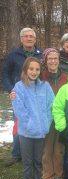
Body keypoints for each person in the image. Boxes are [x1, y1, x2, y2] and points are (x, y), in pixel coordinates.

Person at [12, 57, 54, 179]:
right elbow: (19, 109)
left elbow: (51, 106)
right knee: (28, 162)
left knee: (38, 161)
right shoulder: (19, 87)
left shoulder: (45, 87)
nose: (34, 72)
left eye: (37, 69)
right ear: (25, 70)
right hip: (27, 133)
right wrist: (30, 124)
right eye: (31, 69)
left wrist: (47, 123)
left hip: (41, 132)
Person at [2, 27, 42, 167]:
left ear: (35, 39)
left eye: (31, 36)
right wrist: (10, 89)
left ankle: (34, 153)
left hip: (37, 96)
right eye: (26, 36)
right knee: (19, 125)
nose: (29, 38)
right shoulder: (13, 55)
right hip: (19, 97)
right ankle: (16, 154)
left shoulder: (41, 54)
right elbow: (5, 74)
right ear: (21, 39)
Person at [40, 48, 68, 179]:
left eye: (55, 58)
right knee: (47, 150)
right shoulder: (41, 77)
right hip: (46, 119)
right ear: (45, 61)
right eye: (49, 59)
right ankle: (47, 178)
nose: (53, 61)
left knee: (58, 150)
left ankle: (58, 176)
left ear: (59, 60)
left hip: (61, 118)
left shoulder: (66, 77)